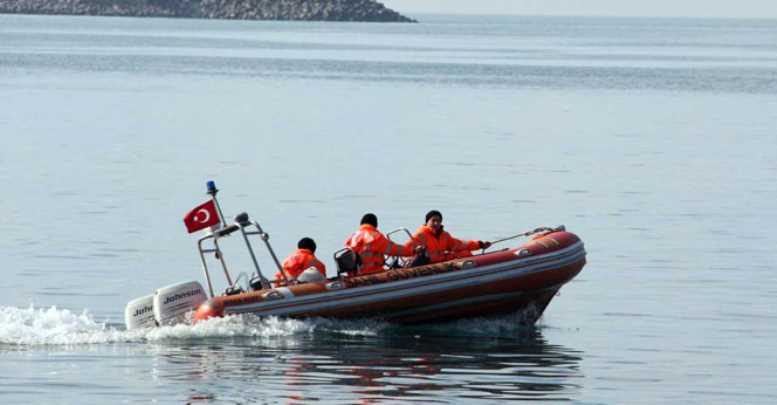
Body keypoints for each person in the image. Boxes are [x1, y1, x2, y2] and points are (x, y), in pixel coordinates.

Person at [344, 213, 421, 275]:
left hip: (354, 274)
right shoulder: (374, 236)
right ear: (375, 224)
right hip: (372, 272)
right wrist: (412, 251)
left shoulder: (352, 237)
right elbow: (394, 250)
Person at [405, 210, 491, 265]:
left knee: (465, 253)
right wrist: (416, 250)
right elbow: (406, 250)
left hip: (440, 262)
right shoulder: (420, 235)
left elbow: (460, 245)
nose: (436, 223)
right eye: (433, 220)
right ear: (427, 222)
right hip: (425, 265)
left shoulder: (444, 235)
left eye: (438, 221)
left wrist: (479, 244)